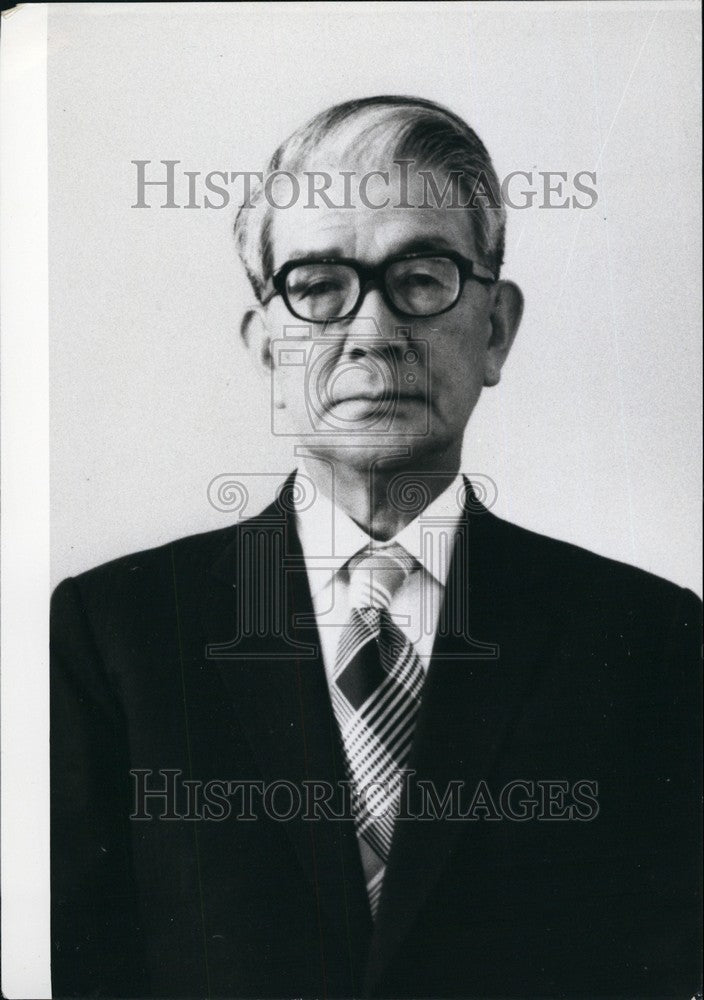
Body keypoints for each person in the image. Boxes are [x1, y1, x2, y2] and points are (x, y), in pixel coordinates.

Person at [51, 96, 701, 999]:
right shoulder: (107, 633)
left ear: (497, 330)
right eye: (318, 286)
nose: (372, 331)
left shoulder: (653, 638)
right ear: (266, 345)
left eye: (423, 276)